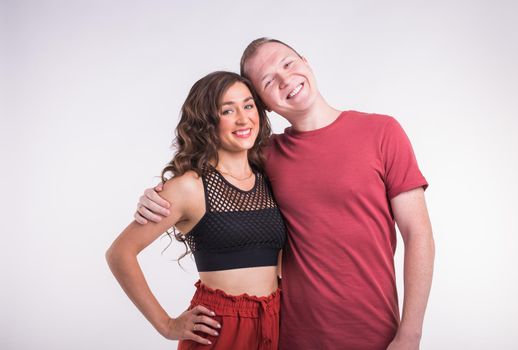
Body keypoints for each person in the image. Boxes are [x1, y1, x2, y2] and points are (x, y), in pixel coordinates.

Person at [135, 38, 435, 350]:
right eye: (268, 80)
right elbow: (213, 170)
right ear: (263, 103)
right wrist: (157, 197)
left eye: (288, 63)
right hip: (288, 336)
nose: (285, 78)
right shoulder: (265, 156)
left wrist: (410, 334)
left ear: (305, 61)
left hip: (377, 334)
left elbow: (418, 233)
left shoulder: (382, 132)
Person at [106, 71, 287, 350]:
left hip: (276, 320)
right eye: (228, 110)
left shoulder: (271, 177)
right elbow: (120, 253)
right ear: (207, 122)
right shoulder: (189, 187)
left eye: (248, 105)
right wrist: (166, 325)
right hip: (219, 327)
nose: (243, 118)